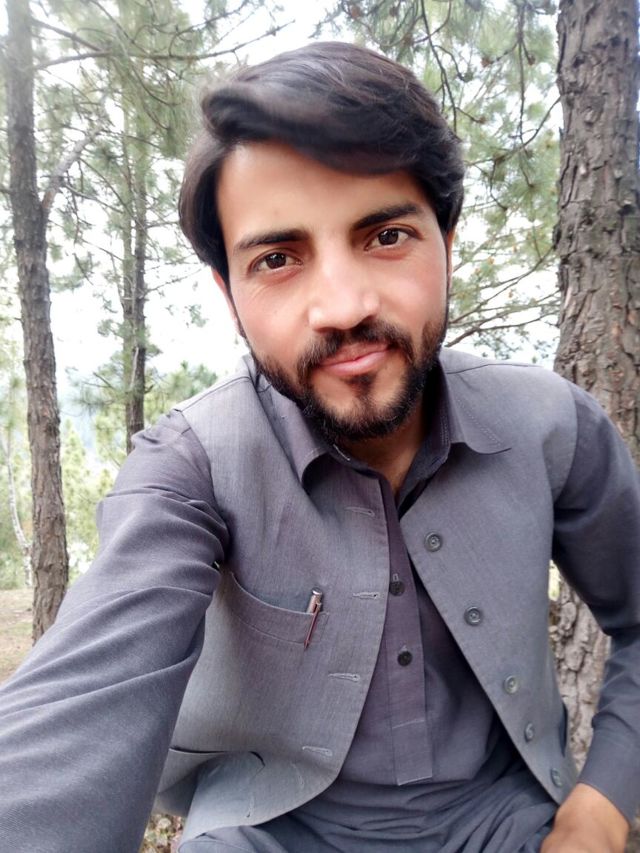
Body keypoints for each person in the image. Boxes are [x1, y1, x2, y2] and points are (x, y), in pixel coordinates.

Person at [0, 41, 638, 853]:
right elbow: (78, 705)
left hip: (504, 824)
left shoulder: (552, 425)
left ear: (446, 240)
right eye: (277, 258)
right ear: (229, 294)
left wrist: (602, 805)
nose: (341, 306)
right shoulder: (189, 466)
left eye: (386, 236)